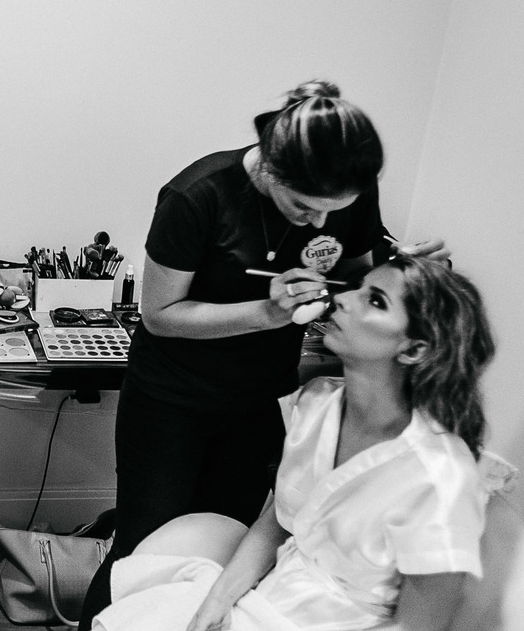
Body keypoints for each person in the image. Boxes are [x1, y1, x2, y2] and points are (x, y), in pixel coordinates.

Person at [79, 80, 449, 628]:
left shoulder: (346, 191)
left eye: (334, 211)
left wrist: (398, 271)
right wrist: (266, 313)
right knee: (143, 544)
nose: (319, 224)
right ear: (271, 168)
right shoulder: (197, 196)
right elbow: (159, 315)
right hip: (170, 399)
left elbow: (352, 274)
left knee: (229, 537)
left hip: (261, 397)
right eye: (304, 207)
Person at [91, 255, 495, 631]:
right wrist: (213, 608)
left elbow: (420, 626)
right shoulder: (317, 403)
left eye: (375, 300)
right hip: (269, 598)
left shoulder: (439, 474)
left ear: (415, 348)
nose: (343, 299)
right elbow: (277, 524)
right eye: (357, 287)